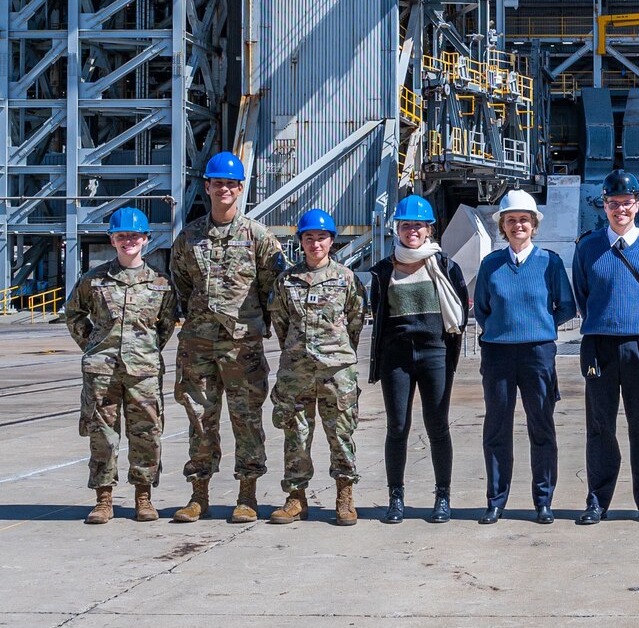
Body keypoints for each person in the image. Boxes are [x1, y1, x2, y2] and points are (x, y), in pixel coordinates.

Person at [170, 151, 284, 524]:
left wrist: (253, 326)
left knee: (247, 419)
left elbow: (273, 290)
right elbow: (182, 286)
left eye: (231, 184)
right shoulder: (189, 237)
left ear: (240, 189)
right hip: (198, 344)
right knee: (201, 419)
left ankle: (247, 495)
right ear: (207, 187)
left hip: (242, 347)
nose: (224, 189)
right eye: (217, 183)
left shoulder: (258, 236)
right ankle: (198, 495)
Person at [571, 170, 639, 525]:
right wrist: (603, 322)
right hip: (599, 345)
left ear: (637, 204)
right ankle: (598, 500)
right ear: (604, 205)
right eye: (613, 203)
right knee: (600, 426)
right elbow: (582, 293)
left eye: (627, 203)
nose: (620, 210)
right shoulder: (587, 247)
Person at [64, 207, 179, 524]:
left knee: (147, 435)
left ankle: (143, 497)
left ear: (145, 239)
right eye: (121, 235)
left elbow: (166, 325)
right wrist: (93, 346)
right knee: (102, 436)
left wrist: (146, 351)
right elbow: (73, 314)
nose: (128, 240)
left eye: (134, 235)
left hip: (143, 374)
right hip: (102, 373)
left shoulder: (160, 284)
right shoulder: (94, 281)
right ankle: (104, 500)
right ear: (112, 240)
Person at [474, 189, 577, 525]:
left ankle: (543, 500)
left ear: (534, 225)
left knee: (542, 428)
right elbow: (483, 310)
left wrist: (539, 326)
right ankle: (496, 500)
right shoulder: (491, 264)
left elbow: (566, 306)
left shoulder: (549, 262)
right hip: (499, 355)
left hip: (537, 354)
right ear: (502, 226)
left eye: (524, 220)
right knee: (497, 429)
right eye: (511, 220)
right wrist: (504, 331)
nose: (518, 225)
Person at [368, 195, 470, 524]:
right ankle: (395, 498)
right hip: (396, 357)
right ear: (397, 229)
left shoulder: (445, 266)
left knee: (438, 426)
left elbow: (460, 309)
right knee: (397, 427)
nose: (412, 230)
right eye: (406, 225)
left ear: (429, 230)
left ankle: (442, 497)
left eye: (418, 225)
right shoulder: (384, 271)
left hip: (435, 353)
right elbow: (377, 312)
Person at [267, 209, 366, 527]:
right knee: (295, 434)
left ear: (331, 241)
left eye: (321, 237)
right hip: (296, 372)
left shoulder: (346, 278)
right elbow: (280, 322)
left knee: (340, 434)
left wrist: (336, 351)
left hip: (336, 371)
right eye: (309, 237)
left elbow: (355, 320)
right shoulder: (287, 281)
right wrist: (298, 353)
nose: (315, 243)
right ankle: (296, 498)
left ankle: (344, 496)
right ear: (301, 242)